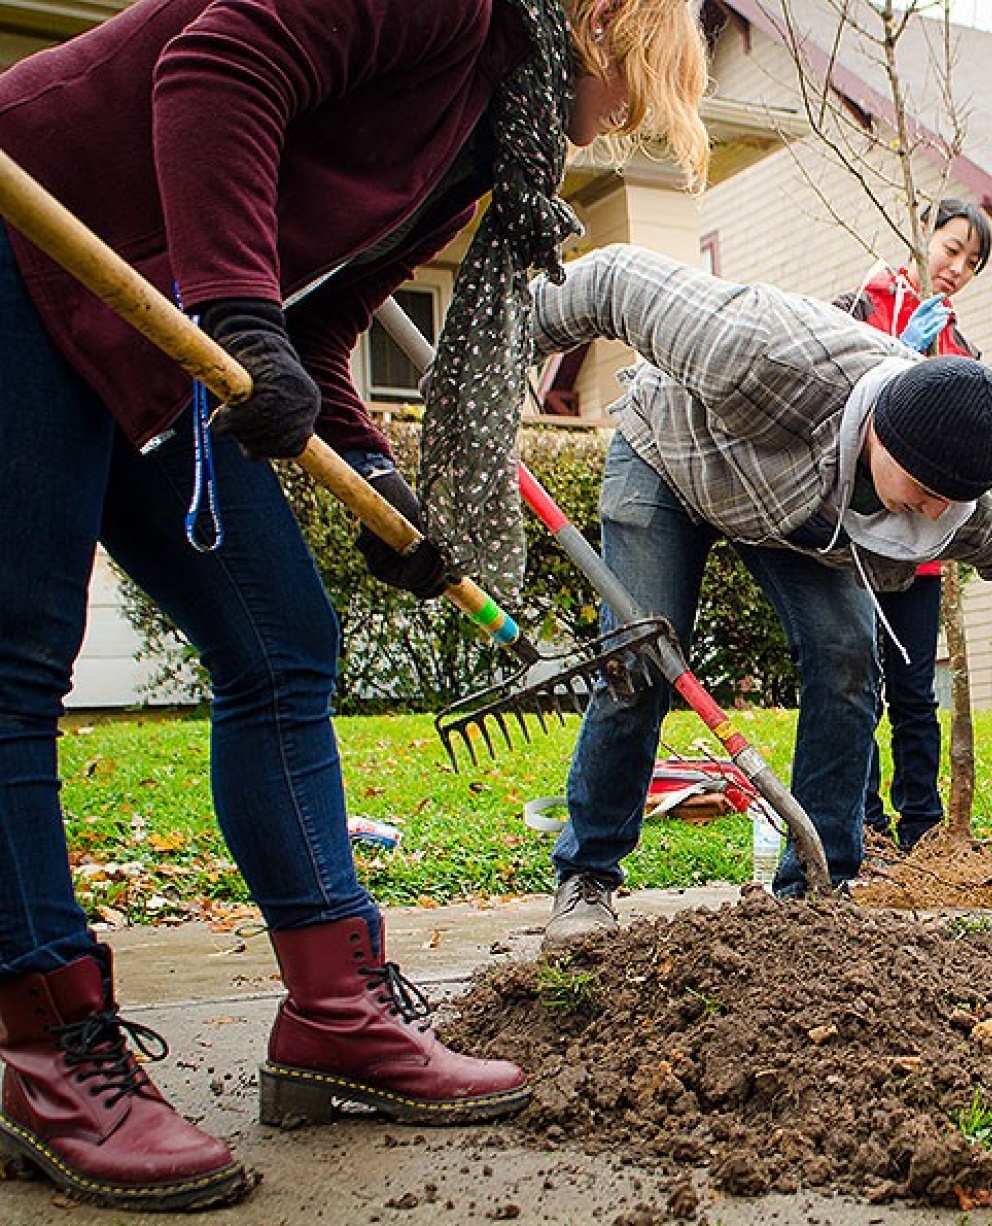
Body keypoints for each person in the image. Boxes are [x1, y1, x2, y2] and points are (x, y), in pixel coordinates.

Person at [0, 0, 709, 1210]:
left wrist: (382, 484)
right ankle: (42, 1046)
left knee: (283, 642)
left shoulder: (480, 151)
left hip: (155, 325)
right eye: (629, 95)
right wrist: (237, 313)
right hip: (39, 244)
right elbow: (216, 68)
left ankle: (336, 1008)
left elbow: (320, 320)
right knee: (17, 658)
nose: (612, 130)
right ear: (601, 28)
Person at [528, 244, 992, 943]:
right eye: (926, 493)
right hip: (673, 456)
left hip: (792, 518)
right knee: (639, 664)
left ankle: (818, 890)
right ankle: (588, 874)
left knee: (848, 657)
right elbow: (614, 280)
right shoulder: (763, 352)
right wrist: (502, 341)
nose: (935, 516)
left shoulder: (972, 494)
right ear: (881, 435)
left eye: (952, 503)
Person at [835, 198, 992, 852]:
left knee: (914, 691)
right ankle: (863, 823)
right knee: (856, 682)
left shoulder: (962, 344)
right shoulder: (856, 307)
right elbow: (845, 398)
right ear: (920, 236)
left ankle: (922, 826)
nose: (956, 267)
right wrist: (901, 349)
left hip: (922, 554)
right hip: (856, 540)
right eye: (950, 249)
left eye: (972, 262)